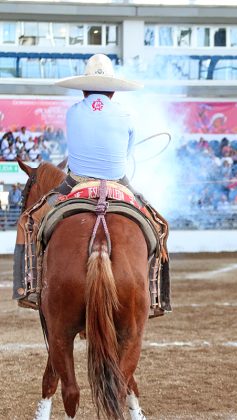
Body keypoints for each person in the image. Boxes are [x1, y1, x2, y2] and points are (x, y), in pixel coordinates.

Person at [13, 54, 170, 316]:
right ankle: (156, 298)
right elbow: (126, 154)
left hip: (76, 181)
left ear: (84, 88)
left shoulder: (73, 112)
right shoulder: (126, 116)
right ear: (113, 90)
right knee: (161, 227)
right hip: (118, 181)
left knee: (27, 221)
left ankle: (25, 288)